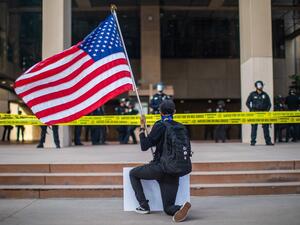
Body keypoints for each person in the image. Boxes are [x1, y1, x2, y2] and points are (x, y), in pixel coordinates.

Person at [129, 99, 191, 222]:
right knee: (168, 208)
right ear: (175, 111)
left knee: (133, 173)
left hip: (160, 168)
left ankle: (144, 206)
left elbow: (144, 146)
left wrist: (142, 128)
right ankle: (180, 208)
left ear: (160, 112)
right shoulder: (181, 127)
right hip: (174, 171)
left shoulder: (160, 125)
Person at [246, 80, 273, 146]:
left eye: (261, 85)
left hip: (264, 113)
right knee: (254, 127)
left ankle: (268, 141)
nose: (260, 87)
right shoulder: (252, 94)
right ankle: (253, 142)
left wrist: (267, 111)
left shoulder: (265, 94)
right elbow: (247, 103)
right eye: (259, 85)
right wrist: (251, 109)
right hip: (255, 113)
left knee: (266, 127)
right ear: (256, 86)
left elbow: (269, 104)